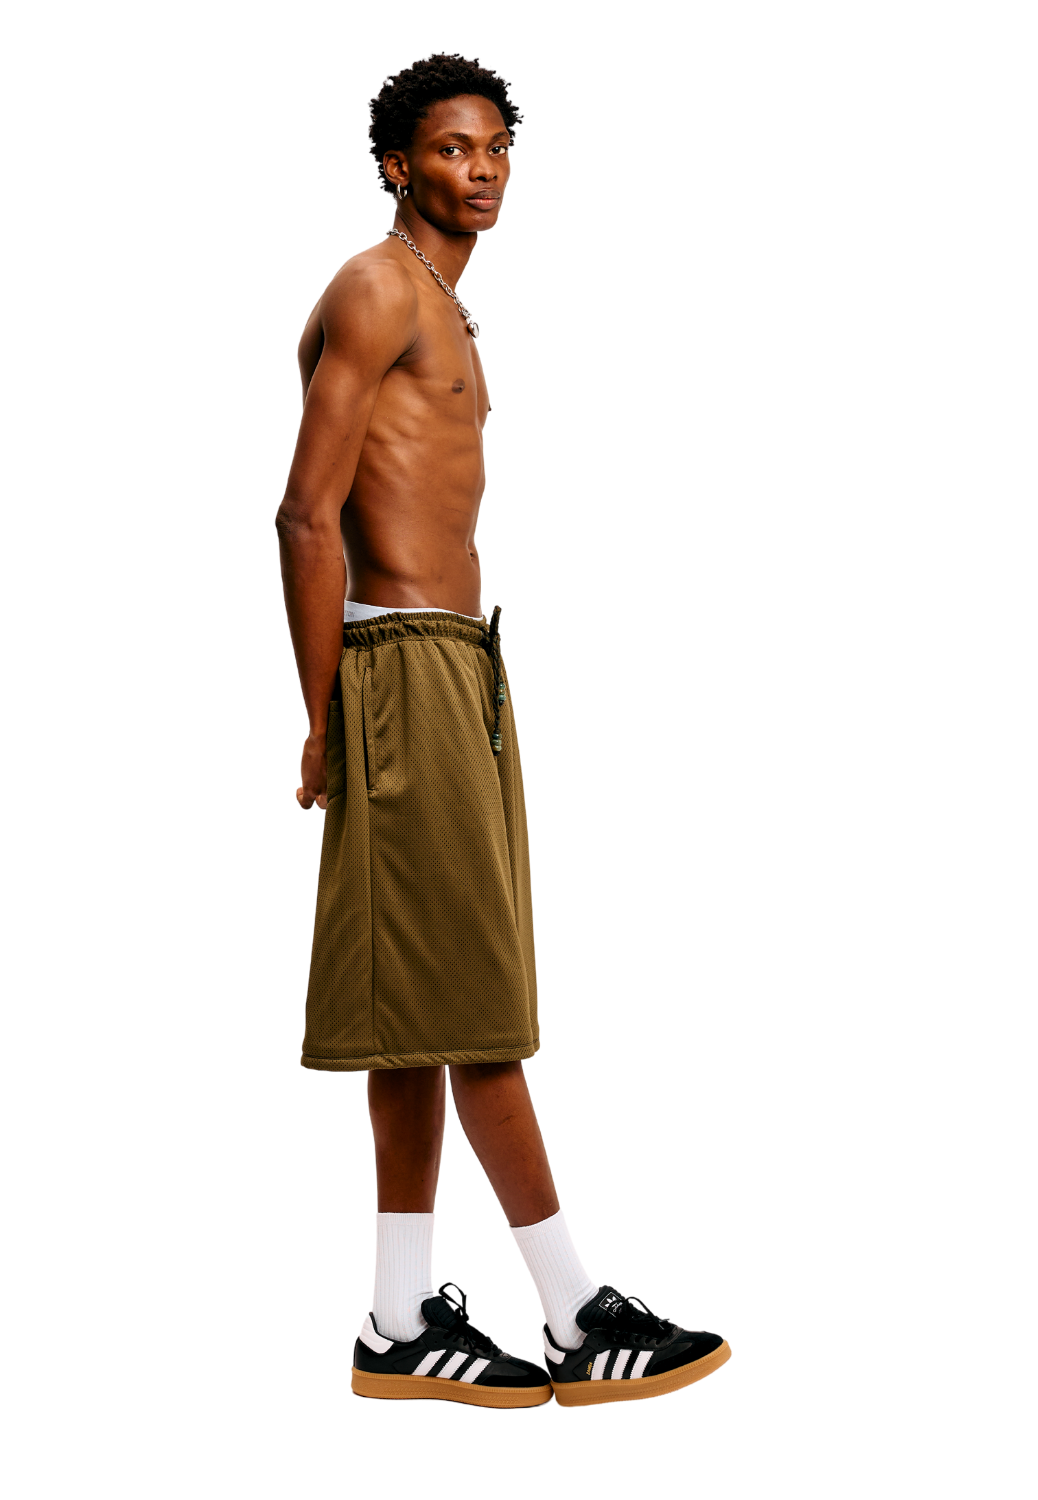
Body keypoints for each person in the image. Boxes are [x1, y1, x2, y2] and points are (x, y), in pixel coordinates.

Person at [276, 53, 729, 1409]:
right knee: (477, 1000)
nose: (480, 172)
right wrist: (325, 716)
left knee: (425, 1007)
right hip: (400, 666)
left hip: (459, 662)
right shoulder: (376, 288)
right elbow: (304, 513)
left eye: (495, 149)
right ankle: (577, 1310)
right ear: (396, 165)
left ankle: (399, 1317)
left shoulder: (442, 302)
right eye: (451, 150)